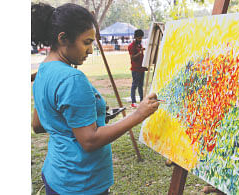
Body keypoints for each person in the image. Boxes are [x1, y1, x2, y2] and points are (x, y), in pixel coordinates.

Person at [31, 3, 159, 194]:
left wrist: (91, 118)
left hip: (56, 175)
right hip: (81, 182)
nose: (91, 50)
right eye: (87, 42)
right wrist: (138, 114)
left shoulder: (43, 70)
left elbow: (39, 124)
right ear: (63, 38)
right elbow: (89, 141)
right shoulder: (72, 79)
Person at [128, 29, 147, 108]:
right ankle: (133, 101)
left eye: (141, 38)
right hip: (135, 69)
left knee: (140, 86)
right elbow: (133, 58)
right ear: (135, 37)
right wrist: (140, 52)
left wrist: (144, 66)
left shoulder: (140, 45)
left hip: (141, 69)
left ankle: (142, 100)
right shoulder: (131, 46)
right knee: (134, 85)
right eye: (139, 38)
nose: (140, 39)